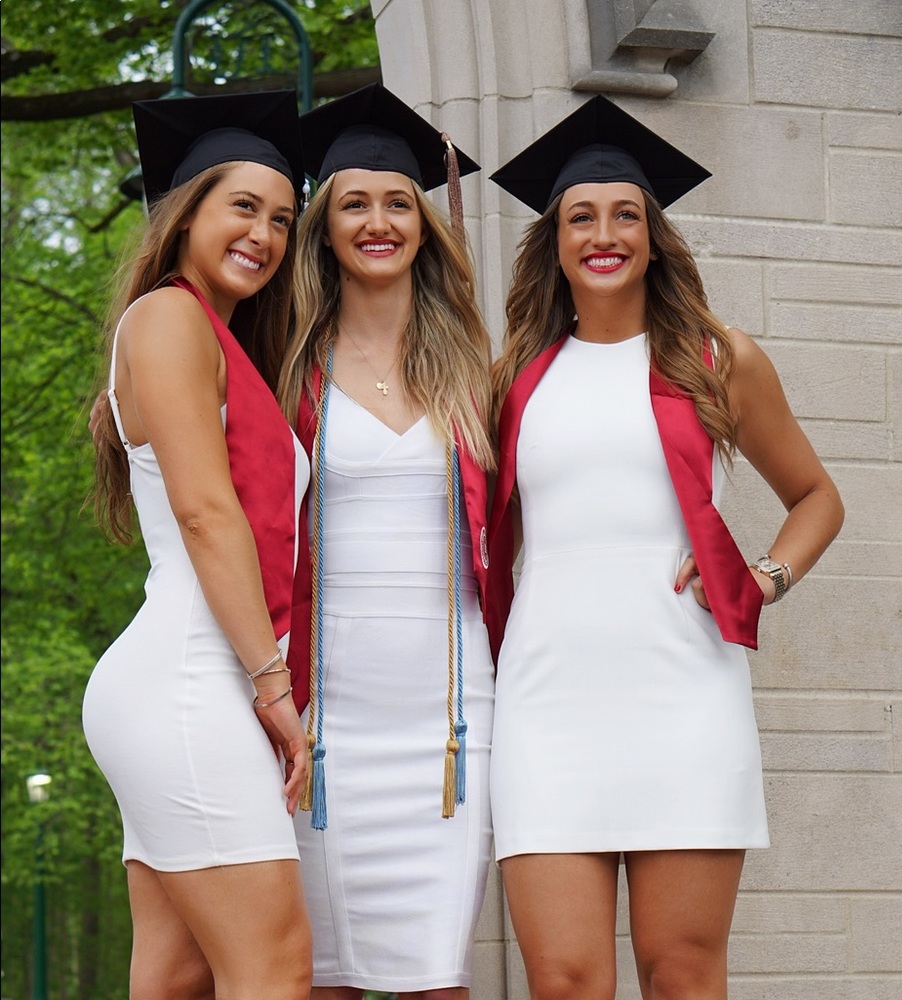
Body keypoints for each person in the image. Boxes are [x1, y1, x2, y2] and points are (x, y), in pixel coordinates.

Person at [486, 95, 845, 1000]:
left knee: (681, 972)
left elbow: (816, 496)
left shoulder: (715, 358)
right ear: (555, 241)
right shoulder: (515, 380)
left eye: (625, 214)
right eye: (581, 216)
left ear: (653, 235)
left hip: (683, 691)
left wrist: (766, 574)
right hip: (547, 700)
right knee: (564, 978)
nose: (604, 234)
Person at [83, 90, 313, 1000]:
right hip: (192, 682)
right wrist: (273, 684)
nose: (265, 233)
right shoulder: (168, 318)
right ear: (185, 212)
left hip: (188, 682)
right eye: (243, 207)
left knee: (176, 977)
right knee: (274, 970)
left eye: (284, 220)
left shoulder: (216, 338)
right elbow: (206, 517)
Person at [277, 83, 496, 999]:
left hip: (451, 718)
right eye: (355, 204)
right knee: (315, 980)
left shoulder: (479, 370)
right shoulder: (284, 364)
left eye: (399, 202)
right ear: (324, 225)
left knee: (437, 979)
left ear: (425, 222)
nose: (378, 221)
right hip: (321, 718)